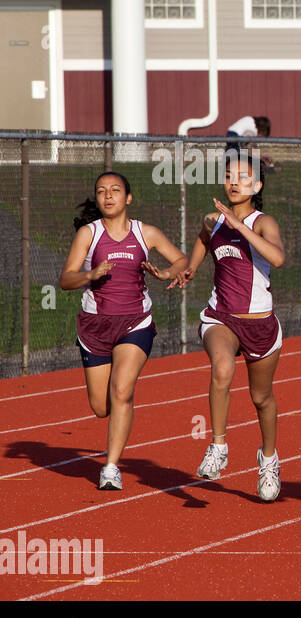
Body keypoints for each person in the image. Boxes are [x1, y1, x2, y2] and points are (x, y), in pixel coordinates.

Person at [58, 171, 187, 490]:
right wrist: (90, 275)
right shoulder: (89, 234)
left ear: (128, 198)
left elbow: (181, 260)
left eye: (115, 190)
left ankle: (111, 467)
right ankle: (117, 419)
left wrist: (166, 272)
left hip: (135, 322)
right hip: (95, 326)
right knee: (101, 407)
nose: (108, 196)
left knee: (121, 392)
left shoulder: (146, 233)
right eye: (102, 191)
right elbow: (65, 280)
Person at [173, 153, 287, 502]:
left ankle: (268, 459)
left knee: (261, 398)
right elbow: (203, 241)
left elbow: (278, 258)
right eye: (228, 176)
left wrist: (241, 228)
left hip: (260, 322)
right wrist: (190, 267)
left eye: (242, 176)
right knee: (222, 368)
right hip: (221, 316)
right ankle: (218, 446)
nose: (234, 182)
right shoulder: (213, 220)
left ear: (257, 185)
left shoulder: (263, 222)